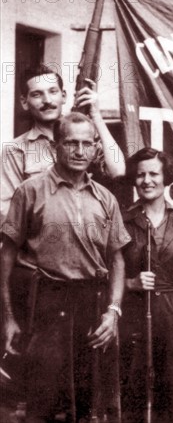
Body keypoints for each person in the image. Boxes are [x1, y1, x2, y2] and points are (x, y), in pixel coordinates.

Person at [0, 112, 130, 422]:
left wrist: (113, 312)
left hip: (92, 303)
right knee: (41, 401)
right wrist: (7, 320)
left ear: (96, 148)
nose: (79, 151)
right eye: (71, 143)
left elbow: (117, 260)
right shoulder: (30, 191)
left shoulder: (106, 199)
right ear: (56, 146)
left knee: (87, 404)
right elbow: (6, 256)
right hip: (45, 302)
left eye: (87, 144)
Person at [119, 147, 173, 423]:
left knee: (172, 404)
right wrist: (130, 282)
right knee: (133, 398)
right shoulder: (123, 221)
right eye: (141, 174)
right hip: (135, 325)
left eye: (154, 173)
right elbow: (104, 274)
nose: (147, 180)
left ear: (166, 178)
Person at [1, 64, 125, 225]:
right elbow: (7, 213)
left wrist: (96, 116)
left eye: (53, 91)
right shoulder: (15, 150)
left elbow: (118, 170)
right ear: (24, 102)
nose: (47, 100)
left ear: (64, 96)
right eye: (37, 94)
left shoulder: (87, 141)